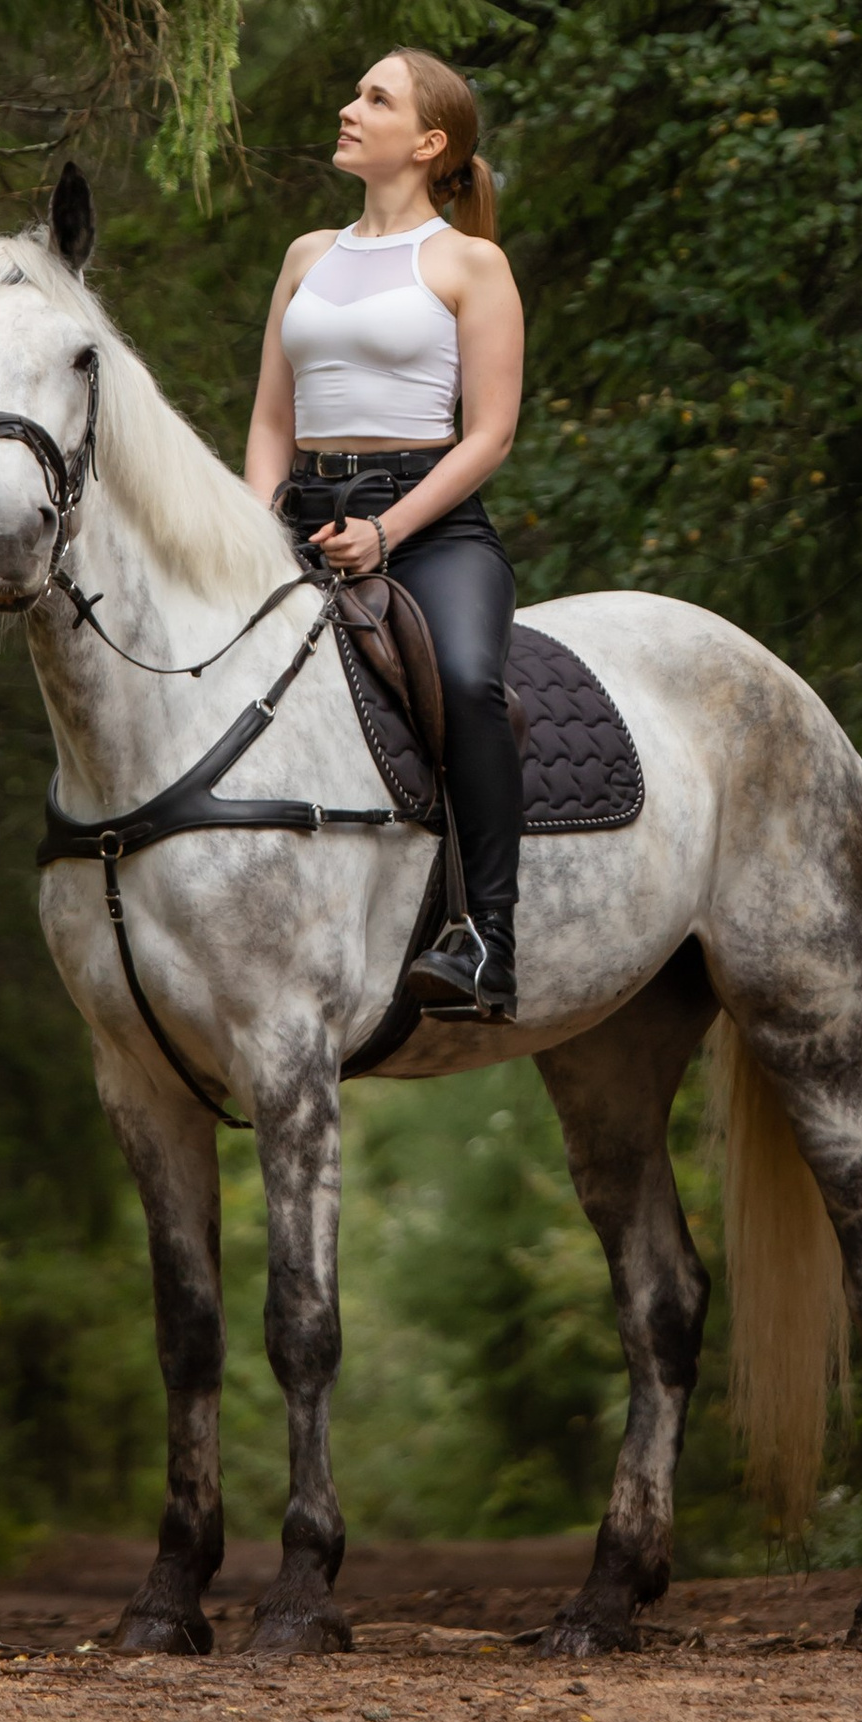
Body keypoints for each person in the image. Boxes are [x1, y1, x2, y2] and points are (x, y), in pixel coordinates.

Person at [245, 51, 526, 1020]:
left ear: (429, 141)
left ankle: (487, 941)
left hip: (432, 528)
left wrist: (387, 530)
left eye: (375, 99)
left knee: (467, 682)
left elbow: (489, 434)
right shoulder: (306, 256)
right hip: (299, 516)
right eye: (354, 93)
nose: (348, 108)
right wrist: (255, 522)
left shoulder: (470, 264)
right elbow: (271, 420)